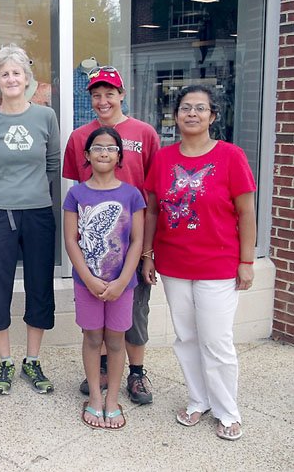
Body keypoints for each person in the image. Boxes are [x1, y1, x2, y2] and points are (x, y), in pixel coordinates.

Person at [142, 85, 256, 441]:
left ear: (212, 116)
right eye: (185, 108)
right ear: (175, 116)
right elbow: (152, 210)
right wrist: (148, 254)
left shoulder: (230, 156)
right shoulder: (162, 158)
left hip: (218, 264)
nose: (192, 113)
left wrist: (247, 260)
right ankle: (198, 399)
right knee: (187, 337)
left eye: (200, 108)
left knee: (217, 340)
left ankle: (226, 410)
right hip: (174, 264)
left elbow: (246, 211)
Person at [63, 65, 160, 404]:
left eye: (109, 94)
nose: (103, 101)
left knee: (132, 316)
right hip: (95, 251)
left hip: (132, 243)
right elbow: (81, 194)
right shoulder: (79, 137)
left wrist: (147, 251)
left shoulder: (144, 133)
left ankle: (136, 374)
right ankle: (101, 369)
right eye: (96, 95)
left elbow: (152, 194)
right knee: (96, 320)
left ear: (122, 95)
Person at [0, 44, 60, 395]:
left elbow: (52, 164)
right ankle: (5, 361)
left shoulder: (45, 117)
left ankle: (32, 361)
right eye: (4, 73)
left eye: (16, 73)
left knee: (39, 286)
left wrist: (32, 193)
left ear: (27, 79)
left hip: (38, 213)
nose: (11, 79)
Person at [63, 126, 145, 430]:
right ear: (87, 155)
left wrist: (123, 280)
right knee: (92, 338)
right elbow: (71, 240)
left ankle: (112, 400)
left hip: (122, 285)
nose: (104, 152)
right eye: (98, 147)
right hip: (88, 283)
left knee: (115, 340)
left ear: (119, 156)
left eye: (111, 148)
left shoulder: (131, 194)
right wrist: (88, 277)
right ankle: (95, 397)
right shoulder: (76, 194)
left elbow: (136, 240)